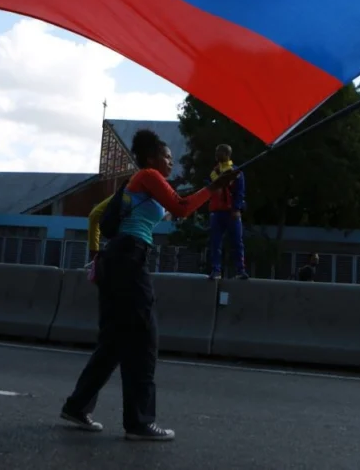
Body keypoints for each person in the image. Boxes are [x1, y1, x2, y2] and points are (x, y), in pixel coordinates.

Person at [61, 129, 239, 442]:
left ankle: (77, 405)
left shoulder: (138, 184)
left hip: (115, 259)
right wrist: (212, 188)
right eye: (166, 157)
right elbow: (182, 208)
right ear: (151, 158)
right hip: (129, 259)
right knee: (144, 339)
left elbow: (100, 215)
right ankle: (139, 422)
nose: (170, 162)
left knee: (114, 341)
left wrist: (213, 187)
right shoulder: (148, 176)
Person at [207, 144, 248, 281]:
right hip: (216, 212)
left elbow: (240, 192)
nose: (216, 154)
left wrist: (236, 208)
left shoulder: (235, 172)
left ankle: (240, 270)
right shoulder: (214, 172)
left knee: (237, 242)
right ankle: (216, 270)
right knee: (215, 243)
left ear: (226, 154)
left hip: (231, 212)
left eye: (218, 152)